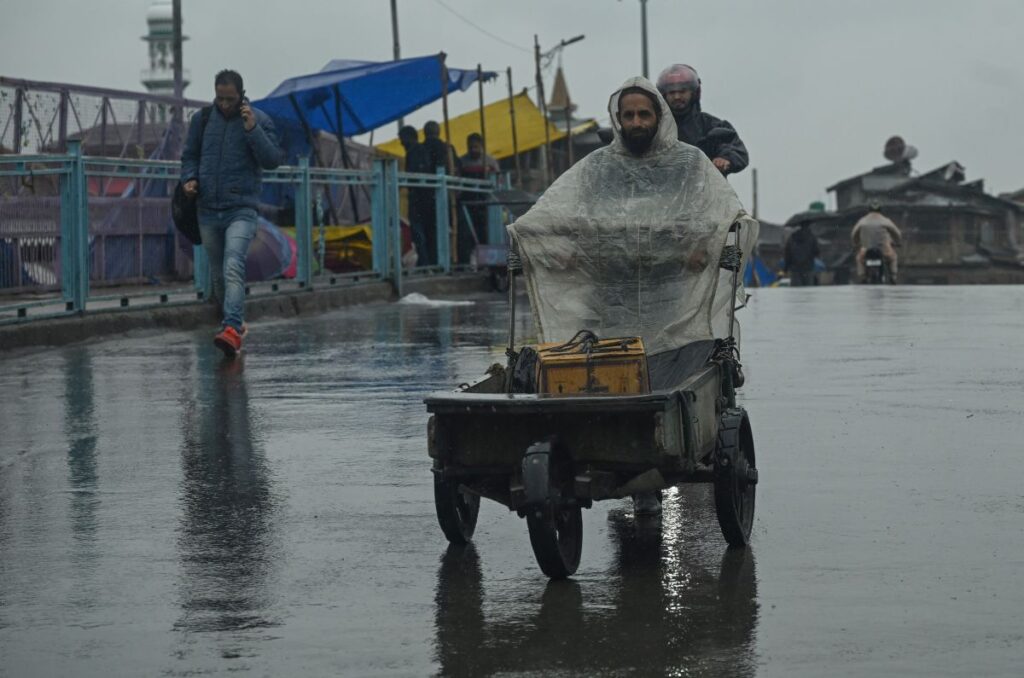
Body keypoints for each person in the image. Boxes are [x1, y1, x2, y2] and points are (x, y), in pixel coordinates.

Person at [508, 77, 757, 516]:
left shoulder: (690, 164)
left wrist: (708, 242)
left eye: (645, 114)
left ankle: (651, 474)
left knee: (663, 373)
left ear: (659, 118)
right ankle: (627, 471)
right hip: (611, 292)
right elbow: (560, 211)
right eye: (629, 115)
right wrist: (533, 236)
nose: (637, 122)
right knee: (613, 374)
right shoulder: (598, 168)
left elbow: (724, 213)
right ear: (618, 121)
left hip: (673, 291)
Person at [181, 69, 283, 357]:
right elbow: (189, 156)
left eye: (230, 99)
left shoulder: (259, 120)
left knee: (233, 265)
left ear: (241, 94)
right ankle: (235, 325)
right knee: (218, 277)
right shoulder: (201, 120)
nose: (224, 104)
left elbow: (273, 160)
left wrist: (253, 130)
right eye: (220, 98)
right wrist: (189, 178)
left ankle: (231, 328)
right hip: (207, 209)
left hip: (241, 208)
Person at [655, 64, 748, 176]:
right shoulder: (656, 127)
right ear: (663, 95)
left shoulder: (712, 126)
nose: (677, 97)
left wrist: (725, 158)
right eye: (672, 92)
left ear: (694, 93)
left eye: (682, 91)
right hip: (662, 190)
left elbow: (734, 148)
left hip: (705, 190)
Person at [457, 133, 500, 264]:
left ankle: (486, 264)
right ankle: (465, 264)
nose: (473, 150)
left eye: (476, 147)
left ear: (481, 146)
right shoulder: (462, 162)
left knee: (484, 235)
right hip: (467, 204)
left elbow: (498, 182)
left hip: (484, 204)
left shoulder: (490, 162)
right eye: (470, 147)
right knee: (466, 236)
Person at [851, 202, 902, 283]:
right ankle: (893, 277)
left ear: (869, 210)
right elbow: (896, 233)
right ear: (880, 210)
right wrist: (898, 242)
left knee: (859, 259)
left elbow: (854, 234)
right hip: (884, 249)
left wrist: (855, 244)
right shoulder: (885, 220)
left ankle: (863, 277)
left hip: (866, 250)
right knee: (893, 258)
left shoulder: (863, 221)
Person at [784, 220, 821, 286]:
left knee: (796, 292)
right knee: (807, 292)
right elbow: (817, 252)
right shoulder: (812, 237)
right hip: (808, 268)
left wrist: (786, 268)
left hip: (795, 269)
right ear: (808, 226)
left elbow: (787, 254)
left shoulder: (792, 237)